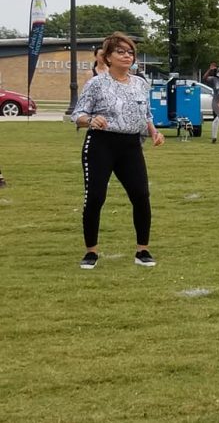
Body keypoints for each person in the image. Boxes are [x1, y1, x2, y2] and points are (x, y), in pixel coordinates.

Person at [70, 32, 165, 270]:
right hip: (101, 144)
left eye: (130, 52)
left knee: (141, 195)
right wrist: (91, 119)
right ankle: (91, 251)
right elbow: (77, 114)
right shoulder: (97, 83)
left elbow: (147, 114)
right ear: (108, 57)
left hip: (131, 146)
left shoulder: (140, 83)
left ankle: (142, 249)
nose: (127, 56)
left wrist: (154, 132)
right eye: (120, 51)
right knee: (95, 197)